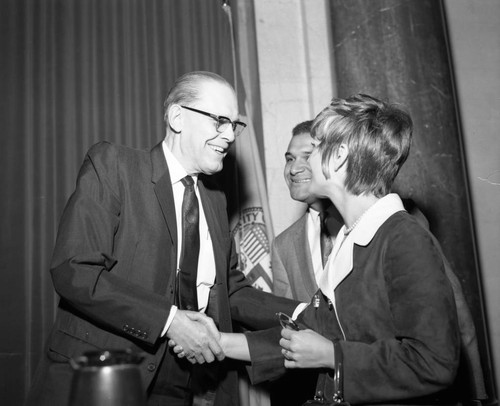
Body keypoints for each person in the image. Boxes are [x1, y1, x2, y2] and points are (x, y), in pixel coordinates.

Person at [26, 71, 299, 406]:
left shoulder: (215, 200)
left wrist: (303, 312)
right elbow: (75, 269)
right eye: (220, 121)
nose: (229, 136)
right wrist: (170, 322)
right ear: (177, 117)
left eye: (235, 125)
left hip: (179, 385)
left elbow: (231, 290)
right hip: (103, 376)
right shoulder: (115, 166)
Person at [200, 94, 462, 405]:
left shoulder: (403, 238)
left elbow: (435, 362)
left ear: (337, 156)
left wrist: (332, 355)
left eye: (316, 146)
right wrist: (215, 341)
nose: (305, 161)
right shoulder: (349, 241)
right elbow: (303, 334)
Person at [272, 120, 342, 303]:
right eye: (290, 159)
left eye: (308, 156)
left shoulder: (374, 220)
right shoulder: (283, 246)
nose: (294, 169)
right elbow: (287, 321)